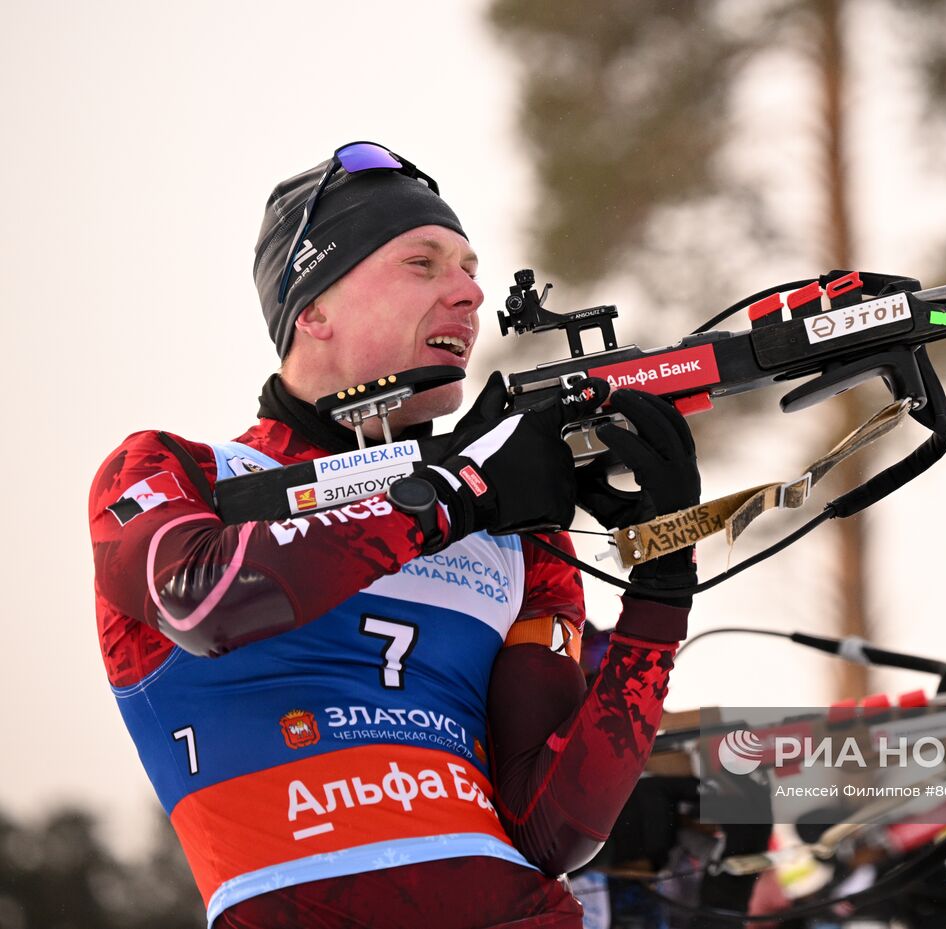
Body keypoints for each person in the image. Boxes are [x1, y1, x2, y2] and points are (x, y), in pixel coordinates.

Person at [88, 141, 701, 929]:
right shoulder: (179, 471)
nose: (471, 293)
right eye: (424, 263)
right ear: (313, 309)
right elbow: (205, 600)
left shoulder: (516, 537)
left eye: (471, 268)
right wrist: (454, 494)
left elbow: (553, 826)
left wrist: (663, 582)